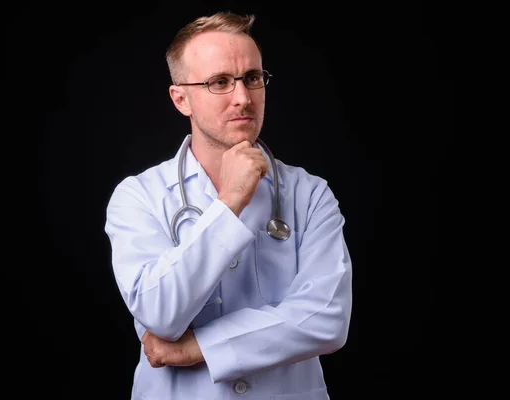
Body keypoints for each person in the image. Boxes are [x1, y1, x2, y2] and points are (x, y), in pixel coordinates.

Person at [104, 11, 352, 400]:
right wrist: (230, 202)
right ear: (181, 98)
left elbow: (326, 318)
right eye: (220, 82)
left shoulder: (310, 193)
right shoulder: (138, 196)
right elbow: (160, 313)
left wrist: (198, 348)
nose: (242, 97)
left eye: (252, 78)